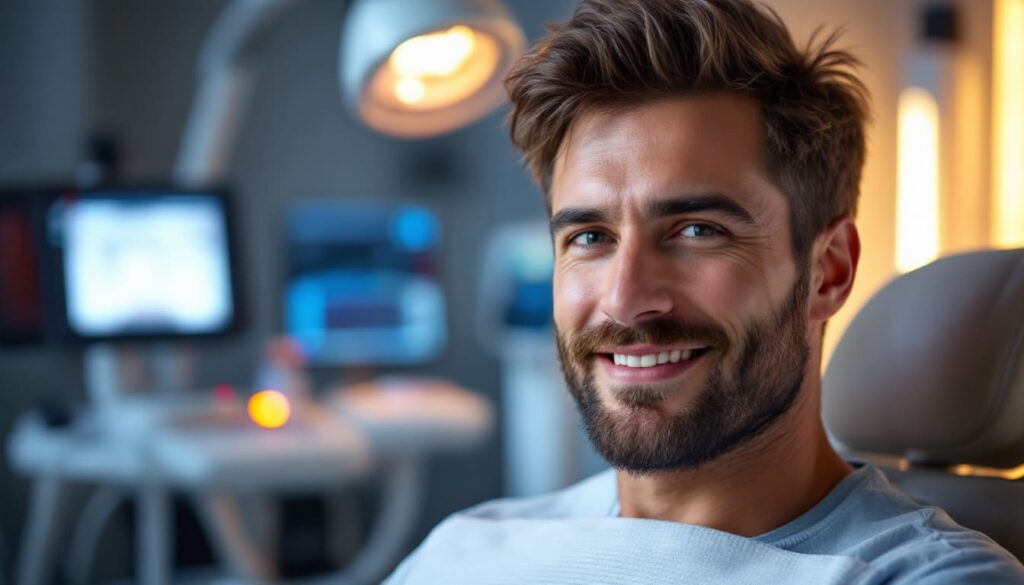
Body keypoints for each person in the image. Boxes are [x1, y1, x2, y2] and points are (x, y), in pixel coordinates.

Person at [386, 0, 1024, 582]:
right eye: (589, 237)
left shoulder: (921, 577)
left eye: (696, 230)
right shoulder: (464, 551)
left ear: (827, 271)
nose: (625, 299)